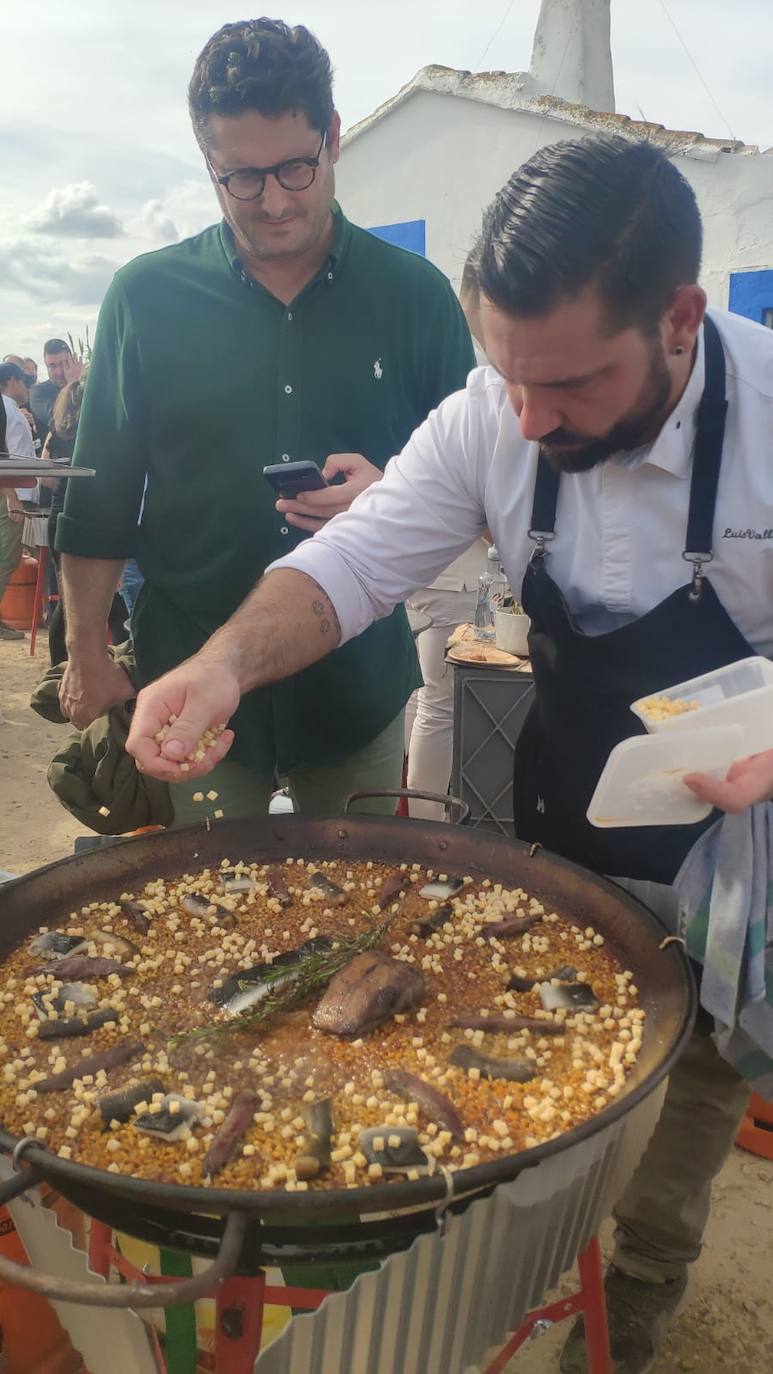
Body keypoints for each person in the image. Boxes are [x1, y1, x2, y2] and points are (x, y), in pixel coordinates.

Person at [127, 136, 773, 1374]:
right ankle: (516, 1260)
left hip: (731, 843)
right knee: (528, 1079)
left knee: (687, 1087)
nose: (529, 419)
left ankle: (636, 1287)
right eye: (506, 377)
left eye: (570, 388)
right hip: (561, 815)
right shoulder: (496, 414)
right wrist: (219, 664)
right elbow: (351, 563)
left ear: (680, 318)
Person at [56, 16, 474, 823]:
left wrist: (390, 495)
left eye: (294, 168)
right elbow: (101, 495)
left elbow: (473, 483)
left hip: (354, 686)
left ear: (334, 138)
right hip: (188, 686)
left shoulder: (415, 295)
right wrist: (86, 651)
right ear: (206, 162)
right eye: (240, 178)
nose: (274, 201)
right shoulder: (145, 298)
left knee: (351, 923)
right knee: (209, 920)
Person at [403, 255, 490, 820]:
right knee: (439, 701)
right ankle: (427, 822)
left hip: (426, 575)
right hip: (453, 575)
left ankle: (413, 810)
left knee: (422, 694)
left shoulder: (437, 408)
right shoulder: (460, 412)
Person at [41, 370, 128, 664]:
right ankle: (122, 669)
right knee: (117, 606)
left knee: (69, 603)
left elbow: (46, 477)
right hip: (93, 518)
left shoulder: (58, 429)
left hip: (59, 516)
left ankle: (57, 671)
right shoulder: (103, 428)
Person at [0, 362, 37, 639]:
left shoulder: (11, 410)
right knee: (6, 559)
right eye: (25, 382)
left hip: (15, 494)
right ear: (12, 381)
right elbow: (4, 456)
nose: (27, 388)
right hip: (10, 496)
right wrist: (12, 496)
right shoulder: (5, 409)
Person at [29, 339, 82, 439]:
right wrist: (73, 384)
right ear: (45, 366)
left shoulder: (85, 387)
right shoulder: (39, 392)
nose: (59, 372)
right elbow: (61, 421)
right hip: (56, 453)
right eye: (52, 366)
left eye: (63, 364)